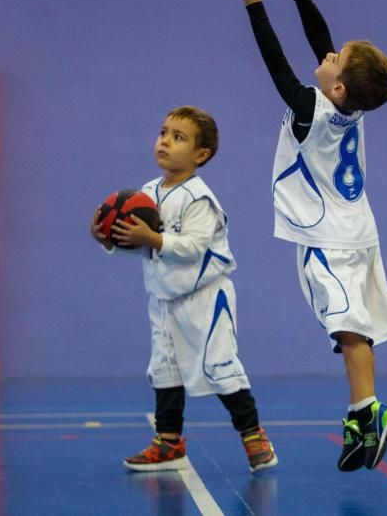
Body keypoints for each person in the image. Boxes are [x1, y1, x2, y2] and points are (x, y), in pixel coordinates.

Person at [228, 0, 387, 472]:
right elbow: (322, 45)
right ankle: (361, 416)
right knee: (352, 328)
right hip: (361, 232)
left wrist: (255, 7)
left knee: (346, 328)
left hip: (325, 236)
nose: (329, 52)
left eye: (336, 57)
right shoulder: (349, 107)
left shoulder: (312, 109)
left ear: (336, 85)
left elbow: (279, 67)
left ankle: (369, 412)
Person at [90, 105, 277, 474]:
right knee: (164, 370)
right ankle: (168, 443)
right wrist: (110, 238)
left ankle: (254, 435)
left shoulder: (198, 198)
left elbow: (194, 247)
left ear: (200, 155)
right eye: (163, 133)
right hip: (163, 298)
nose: (165, 142)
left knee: (220, 368)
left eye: (178, 138)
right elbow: (146, 248)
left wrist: (154, 238)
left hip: (205, 299)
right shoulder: (144, 194)